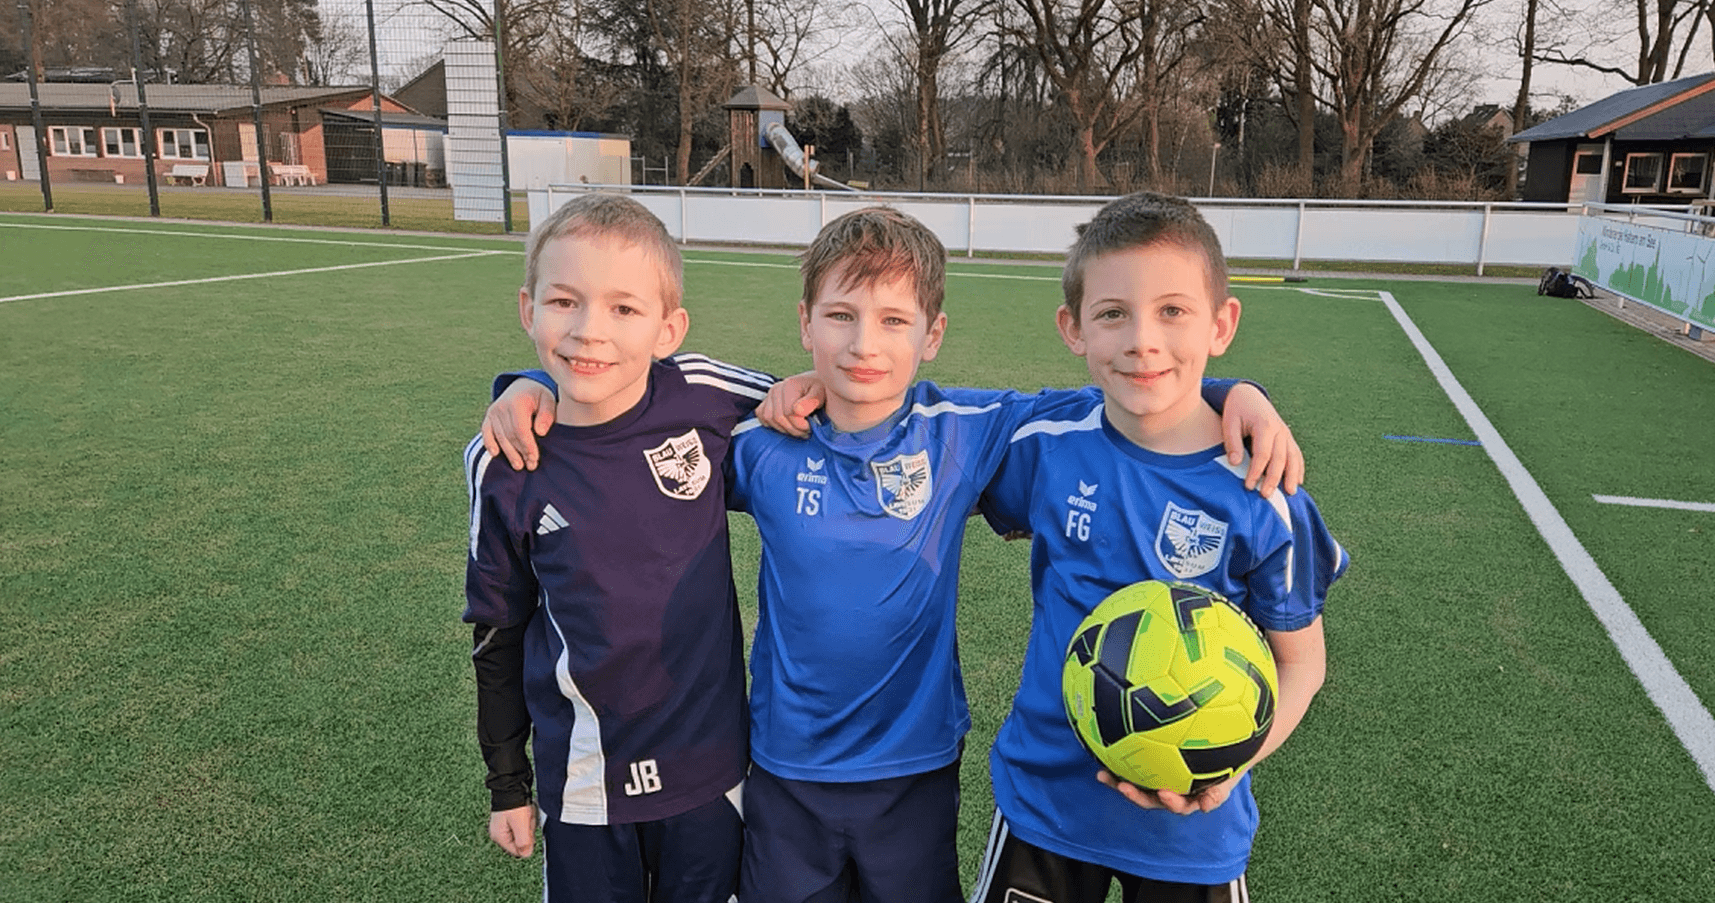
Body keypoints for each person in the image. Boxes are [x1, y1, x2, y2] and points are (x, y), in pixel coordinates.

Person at [483, 205, 1301, 903]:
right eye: (840, 316)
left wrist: (1238, 393)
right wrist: (531, 386)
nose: (863, 343)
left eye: (894, 321)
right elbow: (633, 411)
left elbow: (1127, 402)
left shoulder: (967, 432)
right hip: (782, 769)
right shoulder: (763, 444)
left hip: (913, 773)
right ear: (806, 324)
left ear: (932, 334)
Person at [967, 192, 1349, 903]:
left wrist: (1229, 764)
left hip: (1192, 832)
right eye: (1113, 313)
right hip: (1048, 808)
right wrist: (809, 388)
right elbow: (909, 419)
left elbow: (1303, 662)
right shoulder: (1046, 441)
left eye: (1173, 310)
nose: (1143, 339)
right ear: (1073, 328)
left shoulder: (1266, 490)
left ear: (1221, 323)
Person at [463, 192, 778, 903]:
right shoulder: (505, 459)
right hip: (583, 781)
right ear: (528, 309)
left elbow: (801, 398)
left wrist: (527, 380)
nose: (587, 332)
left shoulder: (700, 394)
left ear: (670, 328)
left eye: (624, 309)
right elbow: (498, 631)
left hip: (710, 770)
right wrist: (507, 782)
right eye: (564, 302)